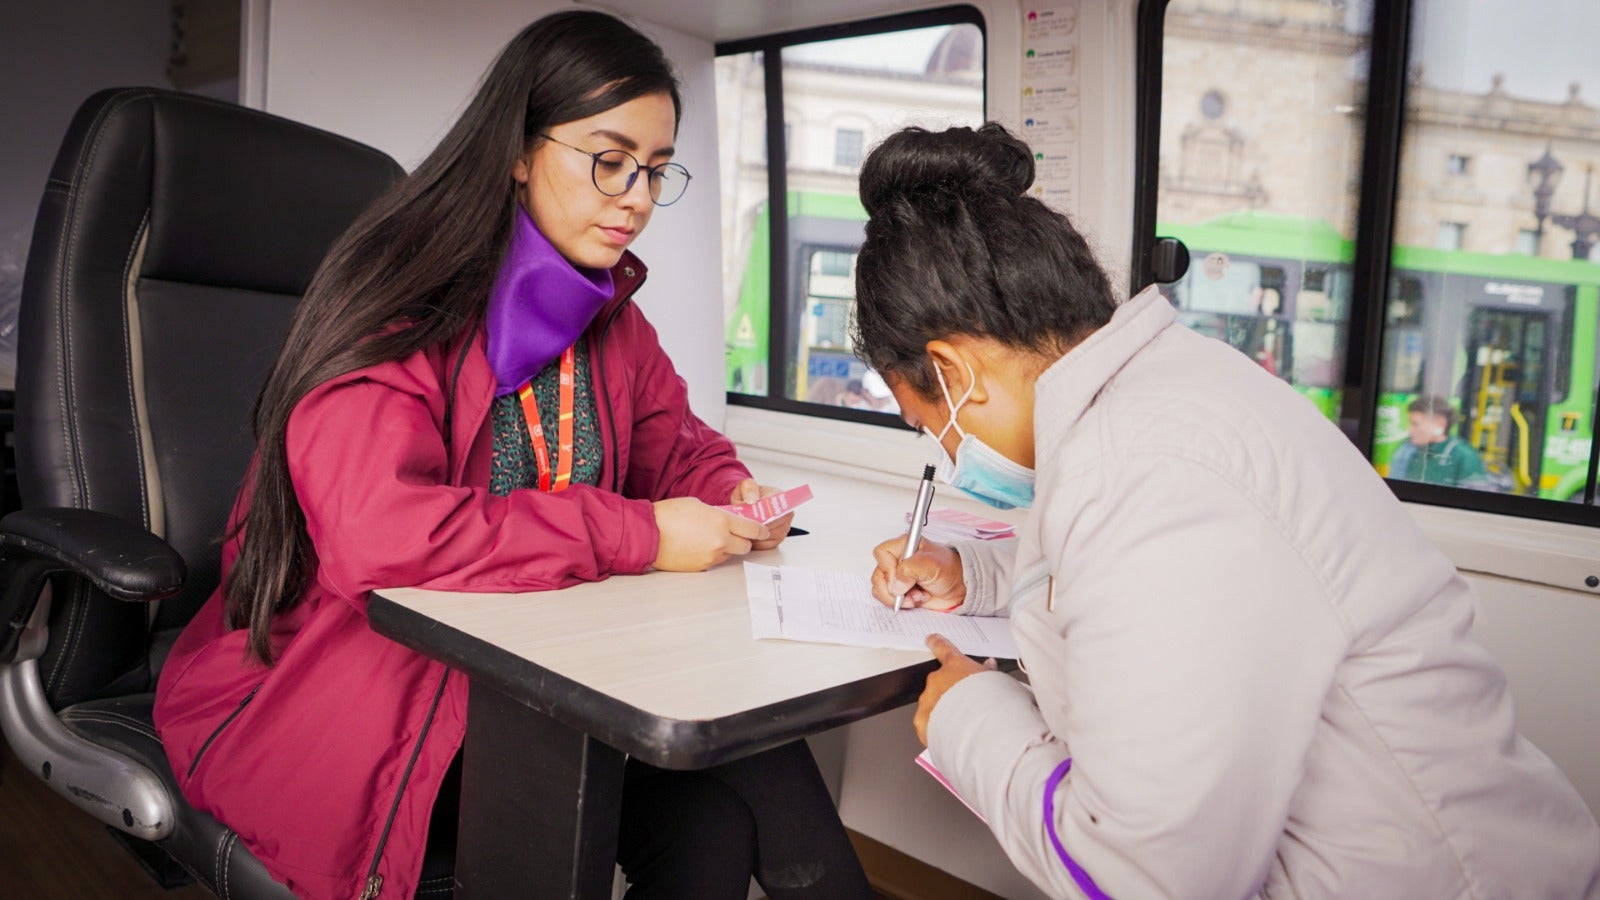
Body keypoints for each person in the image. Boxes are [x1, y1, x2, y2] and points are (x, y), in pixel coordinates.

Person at [152, 12, 871, 900]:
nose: (637, 197)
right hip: (353, 696)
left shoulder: (611, 318)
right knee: (731, 781)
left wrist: (732, 489)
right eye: (609, 160)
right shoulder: (394, 301)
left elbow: (678, 448)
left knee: (719, 816)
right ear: (521, 151)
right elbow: (379, 535)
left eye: (655, 170)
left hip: (525, 685)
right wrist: (642, 536)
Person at [852, 123, 1600, 898]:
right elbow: (1140, 576)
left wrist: (967, 716)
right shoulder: (1165, 396)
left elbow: (1145, 876)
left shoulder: (1141, 469)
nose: (946, 449)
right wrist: (972, 573)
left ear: (954, 372)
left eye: (926, 423)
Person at [1388, 393, 1494, 489]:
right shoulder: (1407, 450)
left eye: (1415, 424)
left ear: (1440, 424)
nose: (1409, 430)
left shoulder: (1464, 455)